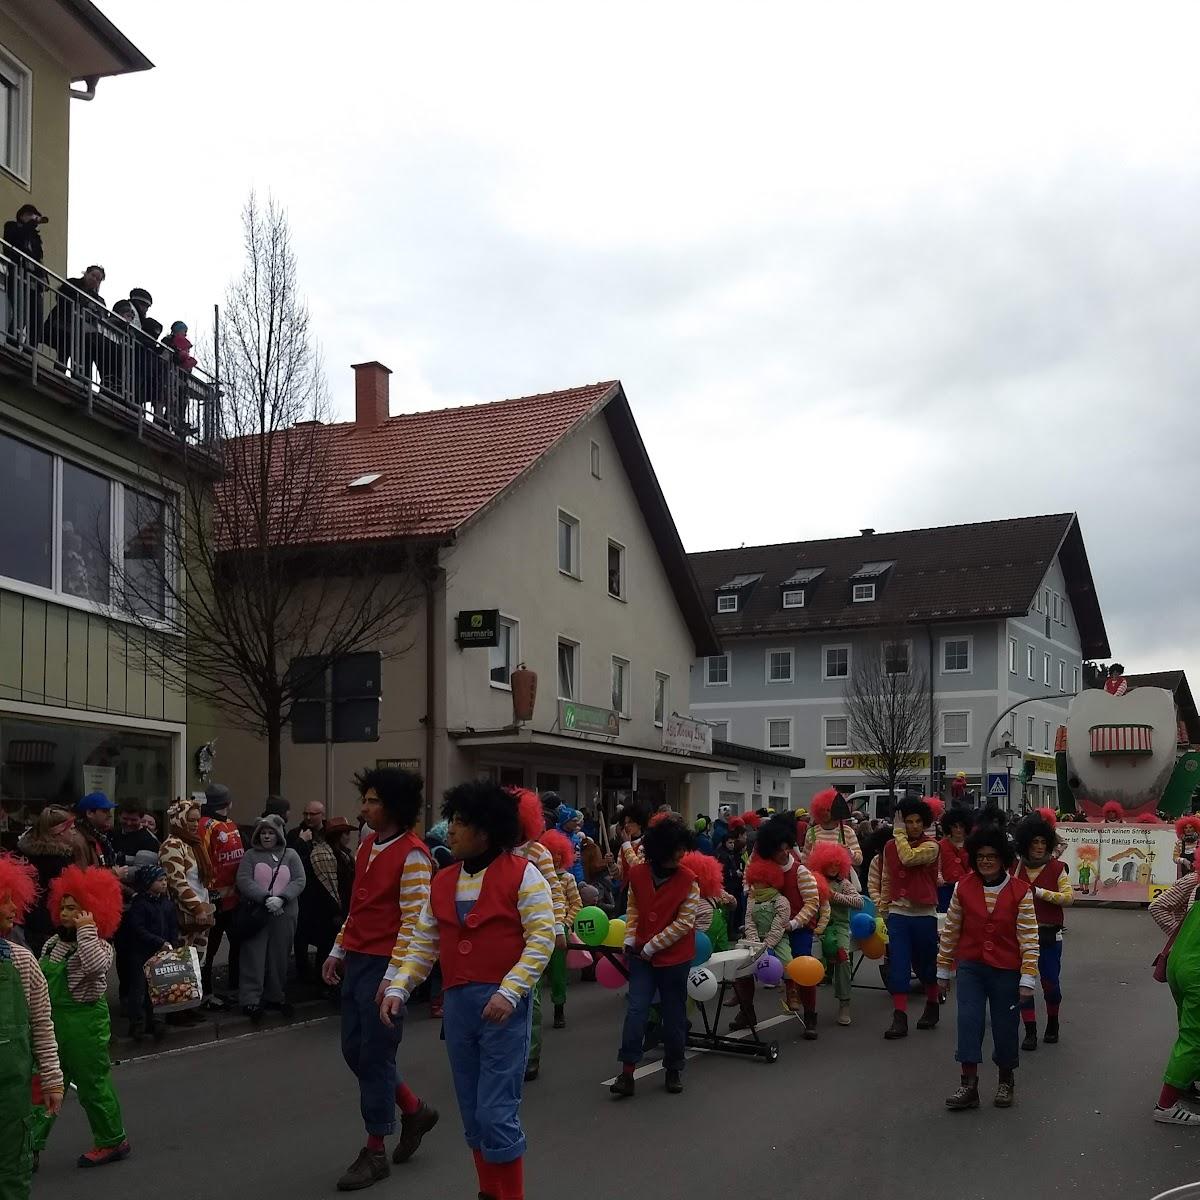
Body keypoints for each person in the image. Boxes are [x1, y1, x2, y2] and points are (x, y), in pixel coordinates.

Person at [382, 781, 552, 1200]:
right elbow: (424, 942)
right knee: (474, 1114)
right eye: (451, 821)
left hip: (502, 1009)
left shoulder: (523, 873)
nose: (450, 830)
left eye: (460, 823)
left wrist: (510, 991)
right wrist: (400, 986)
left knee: (496, 1113)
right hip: (459, 1008)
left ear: (486, 831)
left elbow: (542, 937)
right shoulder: (442, 881)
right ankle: (489, 1192)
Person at [321, 769, 437, 1193]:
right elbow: (359, 908)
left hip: (387, 966)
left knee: (374, 1056)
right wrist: (338, 949)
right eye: (365, 799)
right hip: (359, 961)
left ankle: (375, 1150)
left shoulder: (414, 855)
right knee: (355, 1051)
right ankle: (413, 1109)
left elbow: (415, 923)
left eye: (372, 800)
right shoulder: (369, 844)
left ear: (393, 805)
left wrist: (393, 978)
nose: (363, 808)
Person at [30, 864, 130, 1167]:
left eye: (74, 908)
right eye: (63, 905)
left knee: (92, 1084)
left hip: (85, 1023)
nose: (65, 912)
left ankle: (113, 1140)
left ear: (93, 910)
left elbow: (94, 967)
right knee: (43, 1083)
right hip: (52, 1021)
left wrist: (87, 930)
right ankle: (28, 1145)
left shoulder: (99, 946)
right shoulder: (52, 942)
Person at [937, 824, 1039, 1110]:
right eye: (980, 855)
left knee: (1005, 1026)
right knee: (968, 1021)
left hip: (1007, 971)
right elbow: (951, 931)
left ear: (1003, 858)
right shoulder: (963, 888)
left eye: (991, 855)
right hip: (971, 967)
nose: (985, 860)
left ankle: (1006, 1080)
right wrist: (943, 971)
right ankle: (968, 1085)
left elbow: (1029, 938)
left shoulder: (1021, 891)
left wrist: (1027, 979)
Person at [610, 816, 699, 1097]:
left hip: (674, 959)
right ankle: (627, 1073)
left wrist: (650, 946)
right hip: (641, 957)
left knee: (673, 1015)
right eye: (677, 848)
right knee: (636, 1011)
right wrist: (629, 938)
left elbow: (684, 924)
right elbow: (633, 908)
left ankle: (674, 1068)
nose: (682, 853)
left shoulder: (690, 882)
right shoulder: (638, 873)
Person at [0, 852, 63, 1200]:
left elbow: (42, 1023)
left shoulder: (23, 961)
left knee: (11, 1170)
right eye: (5, 901)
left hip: (11, 1094)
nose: (14, 909)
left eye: (14, 899)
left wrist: (52, 1078)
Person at [511, 789, 565, 1084]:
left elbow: (555, 890)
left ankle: (530, 1056)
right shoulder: (496, 848)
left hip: (532, 931)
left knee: (529, 997)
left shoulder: (538, 852)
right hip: (504, 933)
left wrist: (557, 928)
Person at [878, 797, 942, 1040]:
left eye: (917, 822)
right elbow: (886, 878)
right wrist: (884, 909)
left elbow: (908, 858)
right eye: (908, 822)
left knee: (925, 966)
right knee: (899, 966)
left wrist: (899, 835)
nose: (913, 826)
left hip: (923, 914)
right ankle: (899, 1017)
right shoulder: (889, 847)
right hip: (898, 914)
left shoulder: (932, 846)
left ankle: (932, 1003)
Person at [1013, 810, 1073, 1050]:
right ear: (1026, 844)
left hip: (1049, 934)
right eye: (1034, 842)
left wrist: (1038, 893)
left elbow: (1068, 898)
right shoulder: (1014, 868)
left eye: (1043, 842)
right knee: (1024, 984)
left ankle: (1053, 1022)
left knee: (1051, 984)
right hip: (1020, 935)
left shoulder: (1058, 868)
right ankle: (1029, 1030)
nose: (1039, 847)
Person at [236, 815, 304, 1023]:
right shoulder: (250, 856)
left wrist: (282, 899)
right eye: (263, 833)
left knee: (280, 956)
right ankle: (250, 998)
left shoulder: (290, 855)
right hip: (258, 914)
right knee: (253, 956)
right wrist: (265, 898)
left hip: (285, 913)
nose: (266, 837)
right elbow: (243, 880)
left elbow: (300, 880)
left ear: (278, 835)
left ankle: (276, 995)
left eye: (270, 833)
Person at [1149, 855, 1200, 1124]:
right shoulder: (1193, 882)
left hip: (1181, 962)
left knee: (1189, 1031)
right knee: (1195, 1038)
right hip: (1196, 969)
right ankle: (1166, 1106)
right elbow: (1159, 907)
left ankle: (1187, 1082)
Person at [158, 800, 215, 1012]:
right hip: (182, 915)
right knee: (180, 964)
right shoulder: (172, 845)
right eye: (190, 820)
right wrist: (197, 908)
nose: (194, 824)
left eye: (196, 820)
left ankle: (191, 1006)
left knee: (195, 963)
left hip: (200, 914)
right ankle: (178, 1011)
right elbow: (176, 881)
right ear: (178, 819)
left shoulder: (194, 843)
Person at [733, 848, 792, 1031]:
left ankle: (792, 994)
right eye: (753, 881)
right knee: (741, 969)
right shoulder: (752, 900)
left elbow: (779, 925)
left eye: (759, 881)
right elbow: (748, 920)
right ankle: (746, 1009)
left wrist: (768, 945)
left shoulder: (781, 901)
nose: (755, 885)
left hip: (776, 940)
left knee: (788, 963)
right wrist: (753, 941)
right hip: (755, 941)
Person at [119, 864, 178, 1043]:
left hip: (161, 951)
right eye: (159, 880)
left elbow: (172, 927)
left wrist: (172, 943)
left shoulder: (167, 904)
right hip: (140, 952)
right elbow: (138, 929)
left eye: (165, 880)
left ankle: (158, 1021)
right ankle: (138, 1022)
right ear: (148, 882)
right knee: (139, 989)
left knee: (160, 986)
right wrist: (159, 941)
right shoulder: (140, 905)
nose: (163, 883)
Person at [197, 783, 245, 1001]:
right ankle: (206, 993)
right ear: (229, 803)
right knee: (209, 949)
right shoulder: (205, 826)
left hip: (234, 901)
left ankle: (234, 987)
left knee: (237, 944)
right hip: (214, 901)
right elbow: (202, 859)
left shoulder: (231, 825)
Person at [809, 840, 863, 1027]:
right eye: (829, 863)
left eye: (836, 864)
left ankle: (844, 1003)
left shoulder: (844, 883)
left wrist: (835, 896)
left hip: (839, 925)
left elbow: (860, 902)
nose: (833, 868)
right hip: (816, 926)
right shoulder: (813, 881)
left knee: (843, 959)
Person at [15, 805, 80, 953]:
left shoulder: (23, 853)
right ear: (58, 833)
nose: (74, 833)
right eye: (71, 829)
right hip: (49, 925)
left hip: (26, 922)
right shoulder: (58, 861)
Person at [537, 828, 582, 1029]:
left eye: (558, 853)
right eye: (550, 852)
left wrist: (565, 923)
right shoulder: (536, 876)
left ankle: (559, 1009)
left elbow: (576, 903)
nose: (554, 858)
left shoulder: (567, 879)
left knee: (558, 973)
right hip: (537, 928)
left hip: (559, 929)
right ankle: (532, 1012)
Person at [309, 815, 356, 972]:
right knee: (327, 947)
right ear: (339, 835)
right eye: (346, 833)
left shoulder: (344, 854)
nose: (349, 837)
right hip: (329, 911)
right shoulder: (324, 855)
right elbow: (326, 884)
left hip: (342, 907)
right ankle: (325, 982)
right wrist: (337, 910)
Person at [288, 800, 326, 981]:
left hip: (321, 892)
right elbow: (289, 859)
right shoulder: (296, 834)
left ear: (322, 815)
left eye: (313, 814)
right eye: (306, 814)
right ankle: (302, 971)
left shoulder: (327, 834)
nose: (309, 818)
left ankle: (321, 973)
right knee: (300, 935)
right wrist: (301, 842)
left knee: (323, 935)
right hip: (302, 891)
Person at [42, 264, 105, 371]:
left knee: (74, 351)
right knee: (61, 344)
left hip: (80, 331)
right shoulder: (72, 283)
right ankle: (59, 371)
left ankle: (69, 375)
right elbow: (61, 298)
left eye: (98, 279)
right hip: (61, 322)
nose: (94, 280)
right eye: (93, 275)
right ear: (86, 273)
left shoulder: (97, 299)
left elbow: (101, 316)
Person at [3, 202, 47, 343]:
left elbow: (38, 259)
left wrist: (44, 278)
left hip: (33, 280)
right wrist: (29, 225)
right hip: (17, 274)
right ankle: (12, 345)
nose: (34, 218)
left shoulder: (35, 238)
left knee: (36, 320)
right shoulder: (11, 226)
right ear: (22, 215)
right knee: (20, 314)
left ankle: (30, 352)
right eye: (30, 215)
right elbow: (13, 241)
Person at [804, 788, 863, 867]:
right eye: (822, 810)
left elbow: (859, 860)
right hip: (817, 877)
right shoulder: (811, 832)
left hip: (841, 878)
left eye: (828, 810)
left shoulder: (847, 831)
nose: (825, 813)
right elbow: (805, 860)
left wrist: (849, 852)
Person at [938, 807, 974, 912]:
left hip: (966, 888)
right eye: (955, 826)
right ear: (949, 827)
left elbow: (974, 866)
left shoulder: (972, 846)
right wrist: (939, 879)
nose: (958, 830)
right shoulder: (940, 845)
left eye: (961, 826)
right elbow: (937, 866)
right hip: (945, 888)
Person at [74, 792, 118, 869]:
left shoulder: (100, 835)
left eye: (109, 810)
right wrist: (114, 874)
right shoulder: (80, 840)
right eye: (105, 811)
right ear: (89, 813)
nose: (110, 815)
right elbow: (83, 876)